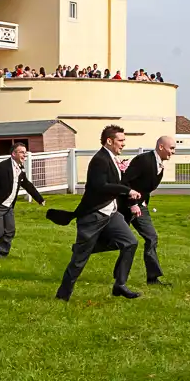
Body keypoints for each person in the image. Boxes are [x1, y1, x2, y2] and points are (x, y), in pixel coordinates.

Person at [47, 125, 141, 301]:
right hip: (93, 216)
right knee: (79, 260)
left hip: (111, 214)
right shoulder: (99, 160)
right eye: (120, 141)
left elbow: (111, 182)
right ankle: (62, 295)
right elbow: (100, 186)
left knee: (130, 243)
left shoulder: (111, 158)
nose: (123, 144)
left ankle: (119, 285)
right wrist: (126, 190)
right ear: (109, 141)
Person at [118, 136, 176, 286]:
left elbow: (145, 187)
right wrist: (132, 204)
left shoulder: (159, 164)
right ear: (161, 147)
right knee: (114, 241)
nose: (173, 152)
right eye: (172, 148)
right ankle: (82, 250)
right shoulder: (143, 160)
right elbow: (125, 182)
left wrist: (140, 203)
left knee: (151, 237)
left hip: (140, 206)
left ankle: (152, 277)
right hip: (125, 206)